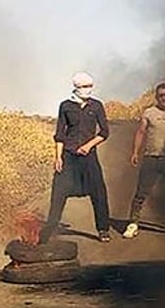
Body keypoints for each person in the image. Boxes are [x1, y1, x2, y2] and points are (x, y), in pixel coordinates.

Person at [39, 72, 111, 244]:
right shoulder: (66, 106)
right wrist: (58, 157)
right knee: (59, 193)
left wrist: (88, 145)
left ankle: (103, 229)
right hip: (69, 156)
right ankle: (49, 230)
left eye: (90, 86)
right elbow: (59, 134)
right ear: (76, 88)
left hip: (89, 156)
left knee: (99, 192)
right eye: (84, 87)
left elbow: (104, 132)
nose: (88, 90)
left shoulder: (96, 106)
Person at [123, 83, 165, 239]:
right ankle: (133, 224)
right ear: (156, 96)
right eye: (161, 95)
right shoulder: (149, 113)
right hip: (151, 157)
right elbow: (141, 132)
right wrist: (135, 152)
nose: (164, 98)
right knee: (141, 192)